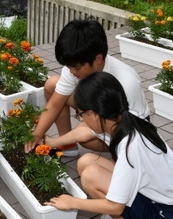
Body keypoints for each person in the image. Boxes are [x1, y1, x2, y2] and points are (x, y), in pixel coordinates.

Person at [45, 72, 173, 218]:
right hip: (163, 196)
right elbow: (84, 132)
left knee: (90, 176)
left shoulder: (131, 146)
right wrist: (50, 142)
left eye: (80, 114)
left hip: (171, 212)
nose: (81, 119)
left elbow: (115, 207)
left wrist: (71, 202)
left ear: (93, 114)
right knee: (86, 162)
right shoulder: (126, 117)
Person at [24, 19, 149, 156]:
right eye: (69, 66)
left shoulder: (125, 82)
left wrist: (54, 142)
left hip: (130, 127)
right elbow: (55, 104)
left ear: (98, 59)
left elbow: (129, 127)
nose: (72, 71)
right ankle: (68, 146)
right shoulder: (75, 66)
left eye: (76, 67)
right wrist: (37, 134)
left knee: (86, 138)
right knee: (52, 85)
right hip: (96, 109)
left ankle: (113, 150)